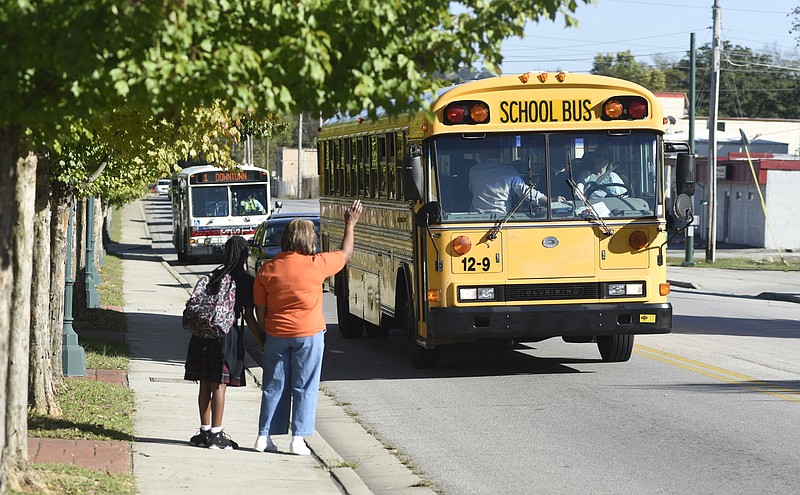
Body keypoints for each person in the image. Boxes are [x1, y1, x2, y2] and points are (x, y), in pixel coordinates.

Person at [253, 199, 363, 455]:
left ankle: (263, 436)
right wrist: (350, 224)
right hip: (309, 334)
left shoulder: (267, 269)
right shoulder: (318, 264)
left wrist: (263, 337)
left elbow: (260, 309)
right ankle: (298, 439)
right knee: (305, 385)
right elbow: (346, 253)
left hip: (276, 334)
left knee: (273, 385)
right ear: (308, 240)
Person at [184, 235, 264, 449]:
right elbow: (248, 316)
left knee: (204, 384)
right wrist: (261, 340)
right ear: (245, 255)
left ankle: (204, 432)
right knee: (219, 385)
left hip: (201, 337)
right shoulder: (246, 280)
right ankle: (217, 436)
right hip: (225, 337)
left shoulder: (213, 276)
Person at [468, 149, 563, 213]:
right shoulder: (509, 171)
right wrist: (550, 200)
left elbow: (471, 189)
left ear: (484, 153)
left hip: (477, 217)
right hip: (501, 216)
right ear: (500, 154)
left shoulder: (474, 170)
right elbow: (525, 192)